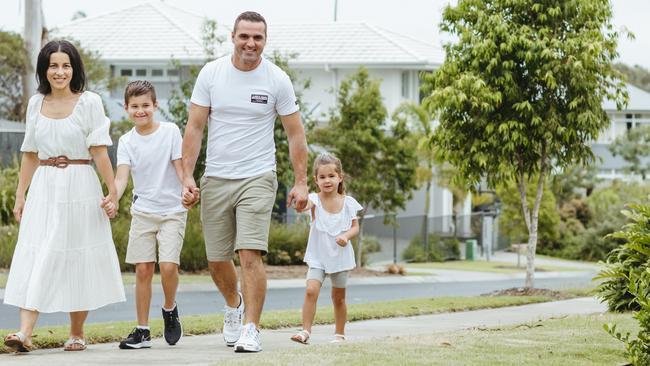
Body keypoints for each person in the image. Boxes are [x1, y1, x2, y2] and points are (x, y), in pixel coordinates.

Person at [181, 11, 308, 353]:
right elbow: (194, 127)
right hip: (217, 177)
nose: (251, 43)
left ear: (265, 40)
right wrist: (187, 176)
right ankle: (234, 304)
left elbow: (295, 134)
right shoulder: (212, 74)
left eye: (258, 38)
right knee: (216, 260)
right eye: (245, 37)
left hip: (258, 175)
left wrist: (301, 181)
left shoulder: (277, 79)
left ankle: (252, 328)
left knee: (249, 252)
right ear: (233, 37)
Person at [2, 39, 125, 352]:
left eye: (66, 65)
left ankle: (77, 332)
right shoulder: (35, 103)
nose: (59, 72)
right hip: (44, 186)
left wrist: (112, 190)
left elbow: (99, 150)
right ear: (44, 69)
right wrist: (20, 195)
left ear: (74, 68)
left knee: (75, 255)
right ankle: (25, 332)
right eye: (53, 65)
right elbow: (29, 153)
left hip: (80, 184)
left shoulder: (90, 102)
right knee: (39, 253)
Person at [107, 80, 186, 349]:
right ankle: (142, 331)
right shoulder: (127, 141)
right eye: (135, 107)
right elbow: (121, 178)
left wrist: (189, 185)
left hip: (173, 210)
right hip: (143, 212)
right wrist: (112, 197)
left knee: (168, 267)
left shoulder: (171, 131)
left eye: (146, 106)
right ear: (126, 108)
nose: (141, 111)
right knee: (142, 270)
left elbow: (180, 166)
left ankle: (169, 308)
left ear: (155, 106)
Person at [290, 154, 362, 345]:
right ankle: (305, 331)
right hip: (318, 257)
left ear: (340, 177)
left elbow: (355, 227)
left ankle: (339, 334)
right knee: (311, 290)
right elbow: (304, 205)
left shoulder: (348, 203)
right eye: (322, 177)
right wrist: (300, 201)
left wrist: (346, 236)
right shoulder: (314, 200)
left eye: (331, 176)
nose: (327, 180)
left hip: (340, 257)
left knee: (338, 298)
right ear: (316, 180)